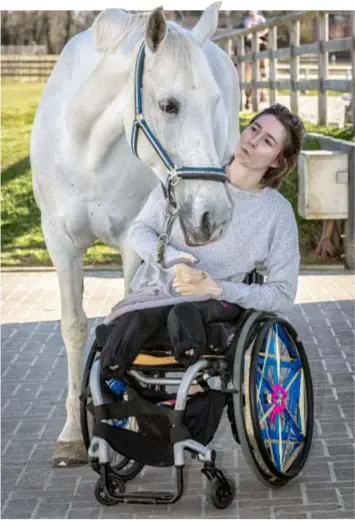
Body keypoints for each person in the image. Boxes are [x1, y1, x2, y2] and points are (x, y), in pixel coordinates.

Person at [100, 103, 305, 375]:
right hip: (159, 290)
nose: (253, 141)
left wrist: (217, 288)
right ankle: (113, 371)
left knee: (184, 314)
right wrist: (173, 261)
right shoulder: (189, 176)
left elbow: (282, 295)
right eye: (254, 129)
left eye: (267, 141)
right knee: (145, 316)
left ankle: (182, 358)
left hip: (216, 304)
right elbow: (139, 231)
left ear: (278, 160)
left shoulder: (276, 213)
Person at [241, 11, 269, 107]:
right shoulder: (247, 20)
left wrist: (258, 35)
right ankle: (248, 98)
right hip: (251, 42)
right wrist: (255, 35)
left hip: (260, 40)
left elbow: (265, 30)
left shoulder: (261, 19)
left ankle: (263, 67)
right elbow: (248, 33)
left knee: (263, 46)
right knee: (247, 74)